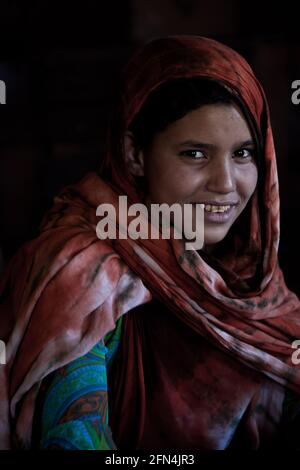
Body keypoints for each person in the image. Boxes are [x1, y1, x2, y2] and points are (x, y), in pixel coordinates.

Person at [1, 35, 300, 450]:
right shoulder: (82, 276)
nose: (226, 183)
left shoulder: (249, 280)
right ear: (134, 154)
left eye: (244, 153)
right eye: (195, 154)